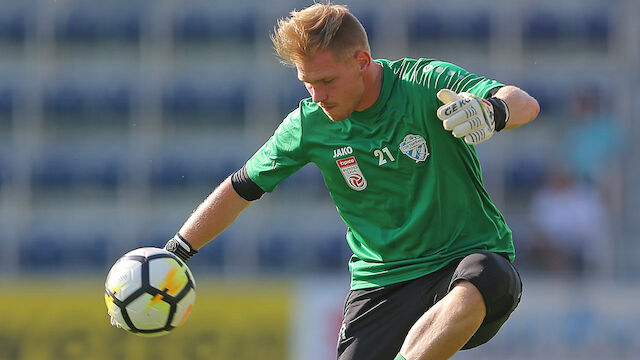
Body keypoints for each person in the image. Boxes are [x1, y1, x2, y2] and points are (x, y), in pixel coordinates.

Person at [161, 4, 539, 360]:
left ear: (362, 61)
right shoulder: (309, 124)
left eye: (326, 80)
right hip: (381, 283)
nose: (317, 96)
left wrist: (493, 111)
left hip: (464, 261)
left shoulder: (424, 84)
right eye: (307, 83)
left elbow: (524, 101)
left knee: (487, 276)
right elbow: (241, 188)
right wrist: (177, 251)